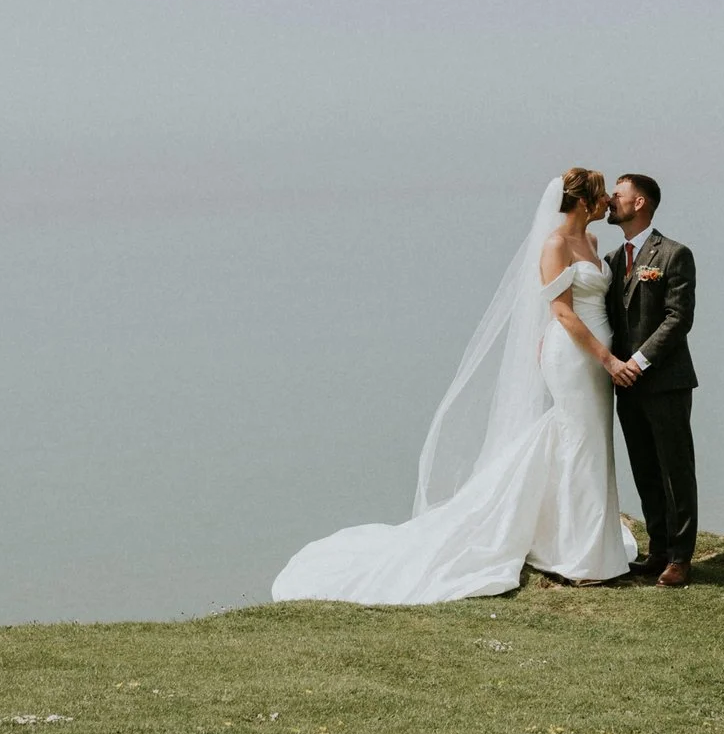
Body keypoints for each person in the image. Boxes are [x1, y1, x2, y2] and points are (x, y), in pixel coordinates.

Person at [271, 169, 633, 604]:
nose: (606, 203)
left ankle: (577, 540)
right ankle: (581, 557)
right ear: (582, 202)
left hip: (593, 356)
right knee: (580, 444)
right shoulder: (554, 245)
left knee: (589, 444)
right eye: (600, 196)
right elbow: (562, 313)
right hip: (577, 357)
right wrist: (607, 358)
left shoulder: (593, 244)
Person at [600, 172, 700, 586]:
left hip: (664, 381)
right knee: (643, 466)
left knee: (674, 468)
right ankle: (658, 549)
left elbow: (679, 320)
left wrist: (637, 363)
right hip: (625, 385)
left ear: (639, 203)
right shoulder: (609, 261)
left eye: (617, 196)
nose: (610, 202)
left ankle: (680, 556)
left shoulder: (674, 254)